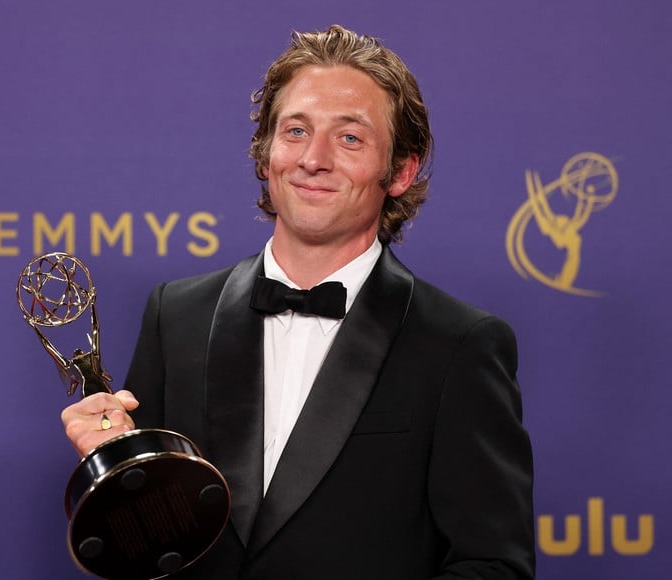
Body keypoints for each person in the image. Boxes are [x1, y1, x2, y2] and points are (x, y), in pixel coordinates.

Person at [61, 25, 535, 579]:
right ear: (266, 154)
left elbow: (493, 566)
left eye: (350, 138)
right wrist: (116, 472)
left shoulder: (459, 344)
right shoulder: (175, 316)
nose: (314, 158)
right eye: (295, 131)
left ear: (401, 171)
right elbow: (151, 552)